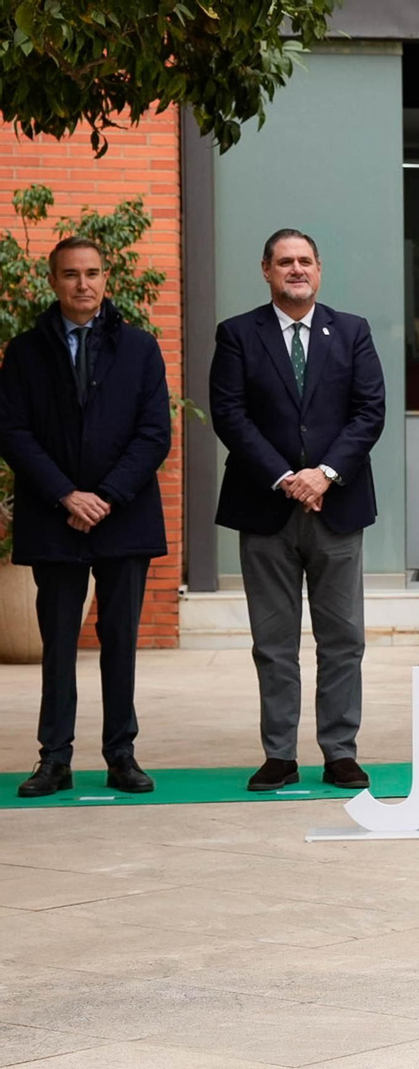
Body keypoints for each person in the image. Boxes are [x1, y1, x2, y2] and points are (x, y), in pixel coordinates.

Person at [210, 229, 387, 792]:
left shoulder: (352, 331)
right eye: (284, 262)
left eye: (304, 261)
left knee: (343, 639)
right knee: (274, 641)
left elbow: (370, 411)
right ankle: (280, 755)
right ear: (265, 270)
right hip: (265, 507)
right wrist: (287, 477)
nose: (295, 270)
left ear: (319, 269)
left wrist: (324, 474)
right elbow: (230, 415)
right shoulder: (238, 334)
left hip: (337, 506)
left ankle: (340, 751)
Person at [0, 237, 171, 798]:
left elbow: (154, 435)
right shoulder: (25, 352)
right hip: (54, 518)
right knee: (59, 642)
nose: (83, 284)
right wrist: (66, 496)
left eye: (93, 272)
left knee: (120, 639)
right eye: (71, 274)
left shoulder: (142, 349)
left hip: (123, 518)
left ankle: (121, 755)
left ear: (107, 278)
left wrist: (105, 497)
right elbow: (14, 432)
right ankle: (55, 758)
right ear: (52, 280)